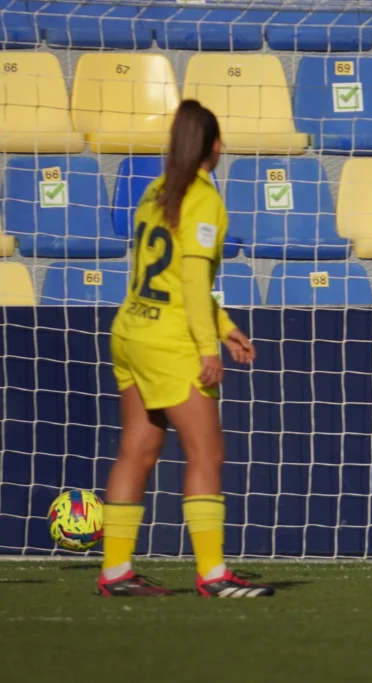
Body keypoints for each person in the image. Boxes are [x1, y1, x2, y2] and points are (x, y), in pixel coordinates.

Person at [98, 101, 273, 597]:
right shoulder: (204, 199)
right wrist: (207, 347)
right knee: (206, 453)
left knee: (138, 448)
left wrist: (226, 326)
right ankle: (214, 574)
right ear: (215, 145)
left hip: (130, 330)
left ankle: (115, 572)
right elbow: (194, 283)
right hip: (171, 342)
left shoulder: (155, 191)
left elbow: (169, 278)